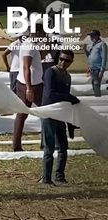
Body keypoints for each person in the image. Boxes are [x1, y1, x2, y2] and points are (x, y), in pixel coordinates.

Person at [40, 50, 80, 186]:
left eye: (67, 60)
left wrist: (71, 124)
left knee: (63, 147)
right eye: (61, 59)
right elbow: (50, 95)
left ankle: (60, 176)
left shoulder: (67, 77)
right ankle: (46, 179)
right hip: (49, 113)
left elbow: (66, 101)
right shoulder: (51, 72)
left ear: (71, 62)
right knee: (49, 148)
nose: (63, 62)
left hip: (61, 114)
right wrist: (69, 98)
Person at [13, 23, 45, 152]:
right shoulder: (29, 46)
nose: (43, 36)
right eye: (42, 33)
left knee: (24, 115)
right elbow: (26, 67)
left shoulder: (31, 45)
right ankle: (17, 145)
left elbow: (37, 61)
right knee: (46, 112)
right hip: (32, 85)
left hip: (33, 83)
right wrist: (29, 88)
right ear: (36, 32)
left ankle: (17, 145)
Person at [85, 30, 107, 97]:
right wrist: (90, 67)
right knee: (93, 83)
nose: (91, 37)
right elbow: (91, 57)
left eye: (93, 36)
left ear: (97, 36)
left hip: (98, 68)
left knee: (96, 84)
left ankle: (98, 98)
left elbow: (104, 58)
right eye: (91, 36)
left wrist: (102, 70)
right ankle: (96, 96)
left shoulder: (102, 44)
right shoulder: (93, 45)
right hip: (93, 68)